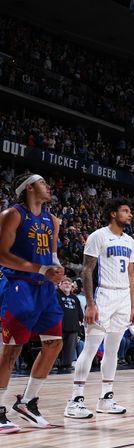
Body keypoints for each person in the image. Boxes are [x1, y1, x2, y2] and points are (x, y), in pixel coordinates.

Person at [0, 173, 65, 432]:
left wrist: (57, 270)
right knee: (12, 350)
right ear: (29, 188)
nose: (48, 186)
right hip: (19, 286)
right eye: (43, 183)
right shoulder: (12, 215)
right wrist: (40, 270)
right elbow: (2, 256)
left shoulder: (52, 220)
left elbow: (53, 256)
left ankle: (27, 402)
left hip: (45, 289)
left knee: (54, 344)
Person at [65, 197, 134, 419]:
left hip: (124, 297)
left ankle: (106, 398)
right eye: (125, 211)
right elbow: (87, 271)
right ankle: (75, 401)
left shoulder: (130, 241)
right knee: (91, 347)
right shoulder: (98, 236)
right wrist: (90, 304)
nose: (130, 214)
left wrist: (133, 305)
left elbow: (131, 274)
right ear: (113, 213)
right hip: (104, 294)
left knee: (113, 349)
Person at [57, 279, 83, 374]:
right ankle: (55, 364)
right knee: (56, 347)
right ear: (60, 285)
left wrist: (80, 321)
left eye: (69, 283)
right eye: (65, 283)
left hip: (73, 327)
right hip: (59, 326)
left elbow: (80, 311)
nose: (67, 285)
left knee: (70, 347)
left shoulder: (75, 298)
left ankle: (66, 365)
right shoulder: (56, 295)